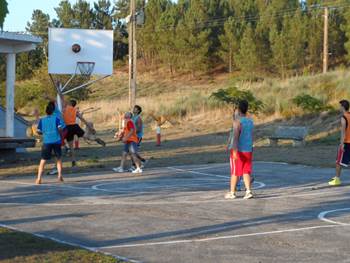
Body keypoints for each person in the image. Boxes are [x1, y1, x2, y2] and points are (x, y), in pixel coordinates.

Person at [225, 100, 254, 199]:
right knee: (246, 171)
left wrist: (234, 151)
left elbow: (235, 138)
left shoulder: (237, 122)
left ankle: (232, 193)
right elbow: (250, 136)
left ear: (239, 109)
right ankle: (248, 191)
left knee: (235, 172)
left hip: (239, 150)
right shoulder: (250, 121)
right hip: (248, 150)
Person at [36, 103, 64, 184]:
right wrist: (60, 134)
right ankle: (59, 176)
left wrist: (44, 133)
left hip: (47, 142)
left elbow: (38, 131)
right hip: (56, 141)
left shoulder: (42, 120)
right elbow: (60, 129)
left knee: (43, 160)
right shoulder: (56, 119)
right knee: (58, 159)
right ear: (52, 111)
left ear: (46, 112)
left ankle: (39, 179)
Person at [62, 98, 91, 167]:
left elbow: (62, 98)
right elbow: (82, 118)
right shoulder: (75, 110)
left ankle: (73, 160)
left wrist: (59, 91)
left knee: (70, 146)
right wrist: (89, 126)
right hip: (75, 126)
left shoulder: (65, 109)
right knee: (84, 136)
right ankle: (94, 139)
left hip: (68, 127)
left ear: (69, 103)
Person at [329, 100, 350, 186]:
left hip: (347, 142)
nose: (339, 108)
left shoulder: (344, 117)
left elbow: (343, 132)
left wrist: (341, 144)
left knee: (338, 161)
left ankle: (337, 179)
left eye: (339, 106)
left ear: (342, 107)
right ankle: (336, 178)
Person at [131, 105, 146, 170]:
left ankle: (135, 166)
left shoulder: (138, 118)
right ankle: (142, 161)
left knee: (132, 151)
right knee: (131, 151)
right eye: (134, 108)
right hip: (132, 136)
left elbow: (139, 129)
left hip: (137, 137)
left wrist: (131, 133)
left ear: (138, 111)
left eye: (135, 109)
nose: (133, 109)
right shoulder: (132, 117)